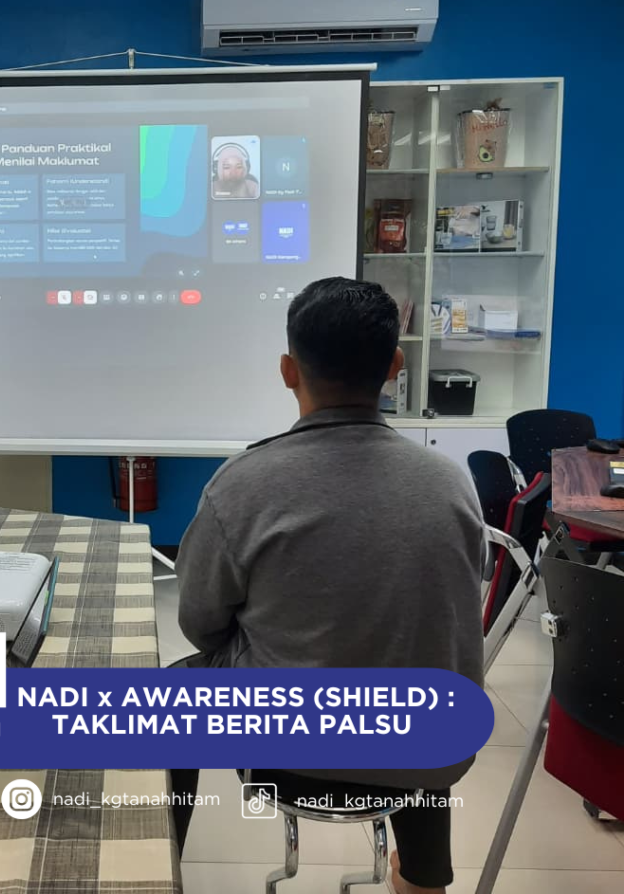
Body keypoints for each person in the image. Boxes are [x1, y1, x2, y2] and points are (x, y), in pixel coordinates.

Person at [171, 278, 484, 894]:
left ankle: (158, 866)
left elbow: (200, 624)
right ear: (395, 367)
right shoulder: (451, 484)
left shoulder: (242, 484)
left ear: (289, 371)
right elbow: (448, 609)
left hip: (287, 759)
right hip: (429, 751)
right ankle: (424, 878)